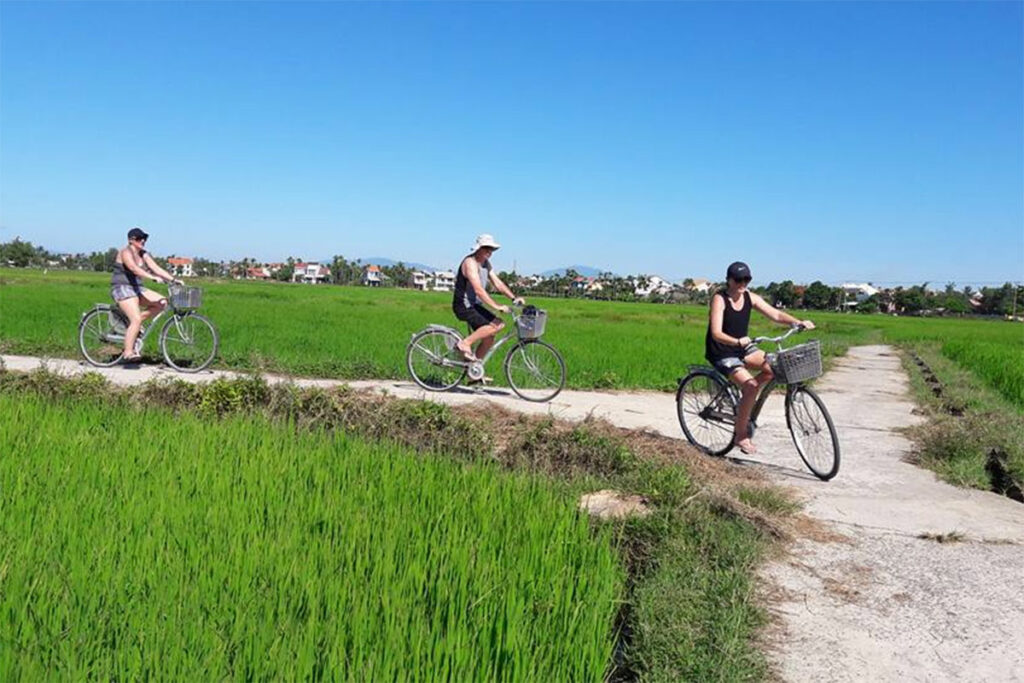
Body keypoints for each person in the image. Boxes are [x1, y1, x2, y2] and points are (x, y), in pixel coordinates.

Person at [705, 261, 815, 455]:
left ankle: (745, 404)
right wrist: (737, 342)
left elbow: (776, 314)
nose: (742, 283)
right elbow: (716, 333)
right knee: (751, 387)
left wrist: (797, 322)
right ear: (729, 280)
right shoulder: (720, 299)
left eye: (746, 279)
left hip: (743, 347)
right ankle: (741, 436)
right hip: (722, 351)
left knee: (775, 368)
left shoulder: (750, 297)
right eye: (738, 279)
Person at [451, 234, 524, 368]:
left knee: (489, 339)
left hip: (474, 305)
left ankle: (474, 370)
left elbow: (497, 283)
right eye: (486, 249)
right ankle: (464, 343)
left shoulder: (486, 264)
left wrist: (513, 298)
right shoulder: (470, 263)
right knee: (496, 325)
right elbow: (478, 290)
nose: (489, 252)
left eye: (491, 250)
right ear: (478, 248)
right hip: (463, 304)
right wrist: (497, 306)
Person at [110, 227, 180, 362]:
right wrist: (151, 277)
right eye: (139, 238)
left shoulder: (143, 254)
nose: (143, 241)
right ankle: (128, 352)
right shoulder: (125, 252)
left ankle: (134, 326)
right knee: (135, 319)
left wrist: (173, 280)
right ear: (131, 240)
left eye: (144, 238)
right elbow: (133, 268)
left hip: (136, 288)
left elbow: (156, 268)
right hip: (122, 287)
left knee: (162, 302)